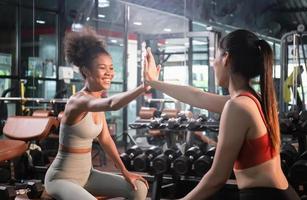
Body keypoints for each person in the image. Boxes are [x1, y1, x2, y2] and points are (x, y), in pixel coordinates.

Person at [144, 29, 300, 200]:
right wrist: (154, 82)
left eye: (215, 57)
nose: (213, 63)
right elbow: (197, 96)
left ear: (226, 58)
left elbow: (217, 178)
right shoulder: (250, 99)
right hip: (277, 194)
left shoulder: (238, 107)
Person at [45, 28, 148, 200]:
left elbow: (106, 139)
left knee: (138, 188)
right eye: (102, 68)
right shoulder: (78, 101)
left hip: (88, 176)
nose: (109, 73)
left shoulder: (96, 101)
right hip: (62, 179)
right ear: (86, 71)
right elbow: (111, 104)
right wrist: (142, 88)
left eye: (111, 68)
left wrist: (125, 172)